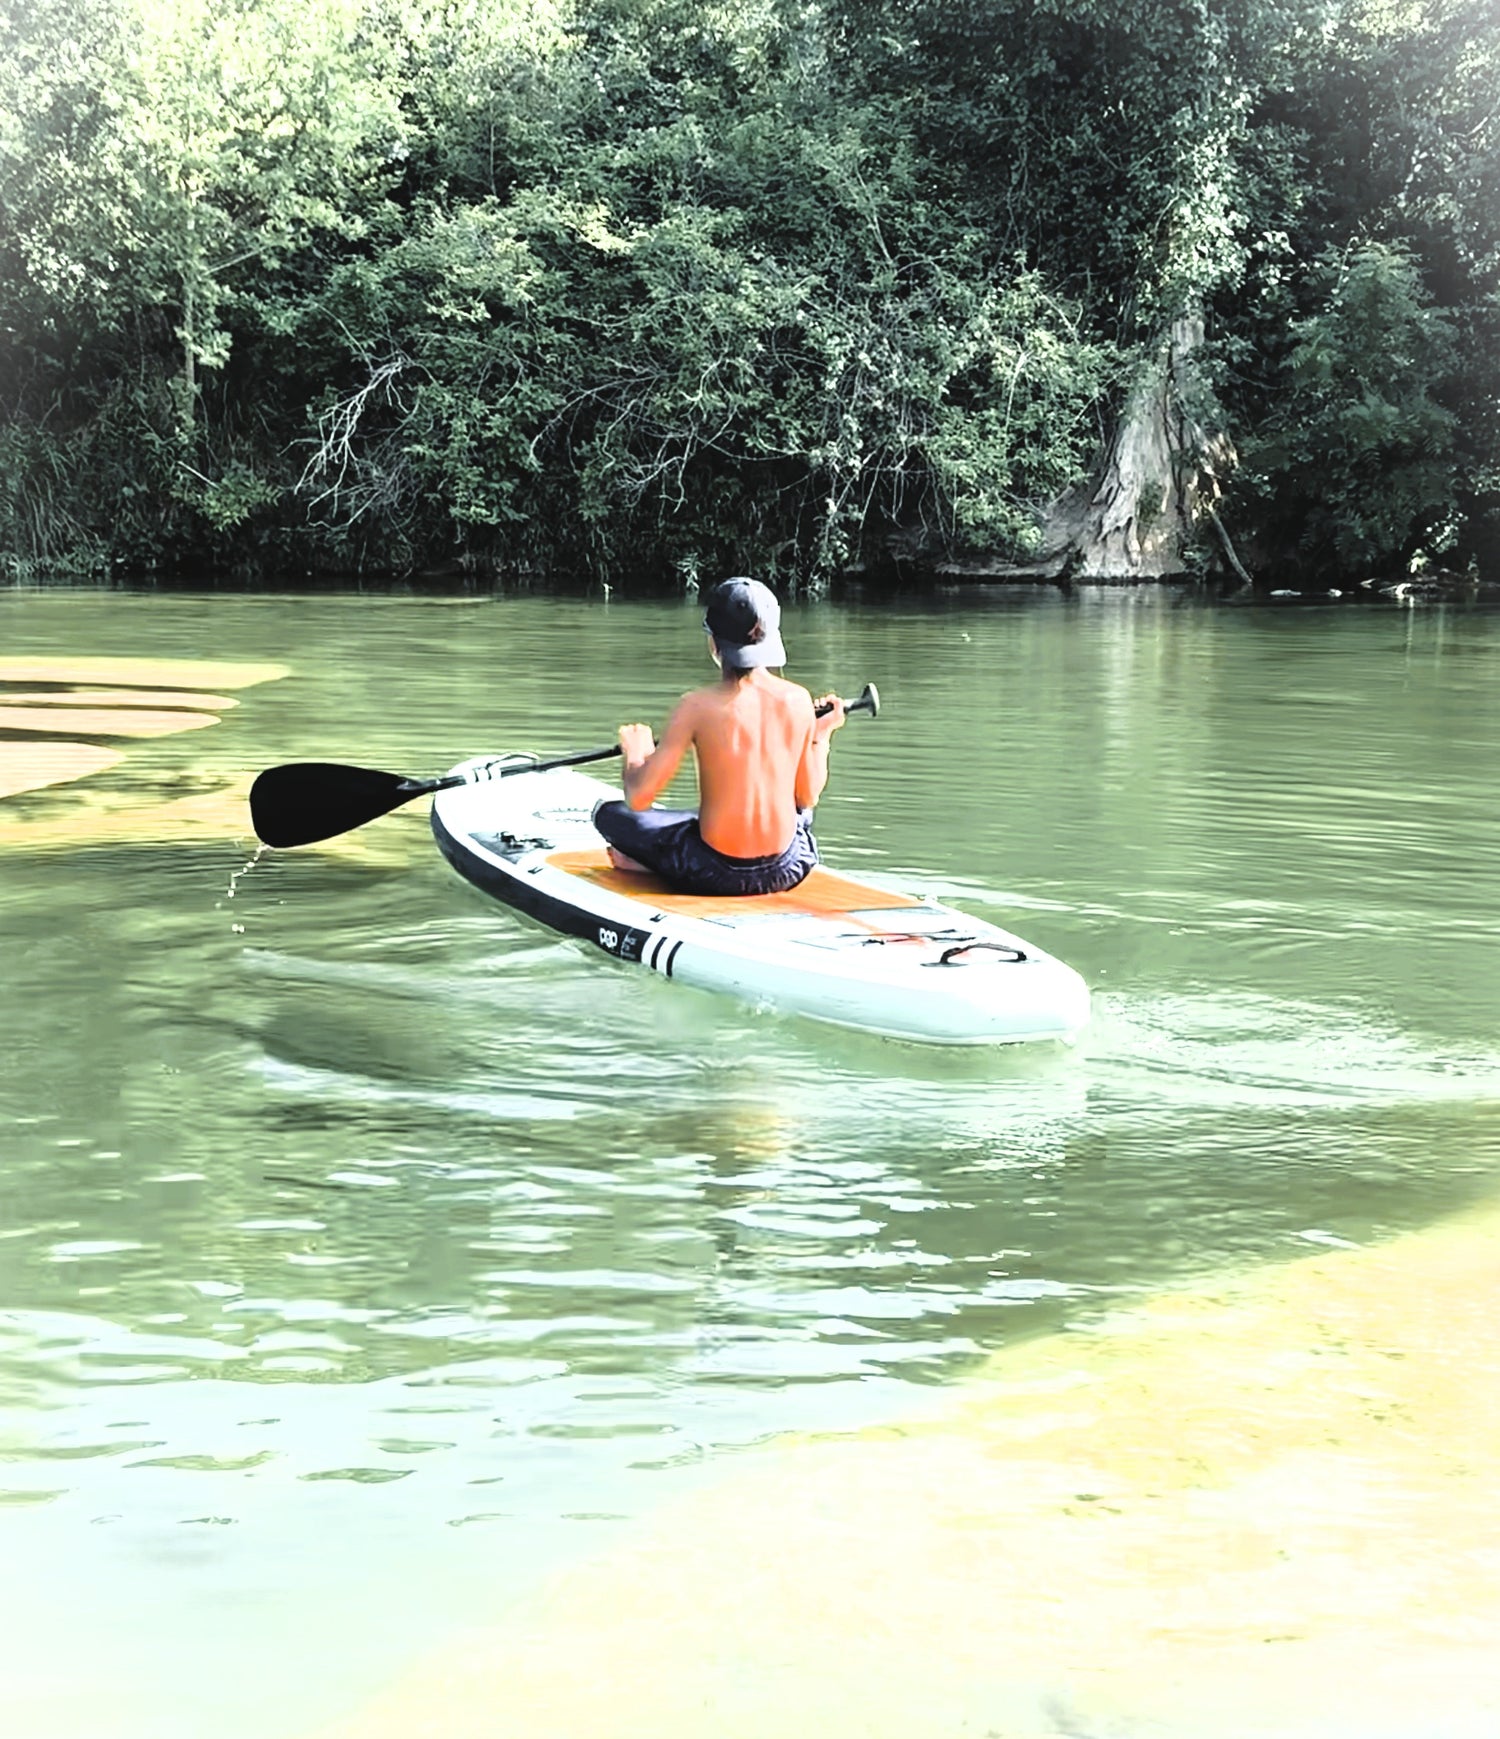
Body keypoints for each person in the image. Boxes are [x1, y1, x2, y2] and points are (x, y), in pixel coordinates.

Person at [591, 577, 846, 895]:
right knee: (799, 816)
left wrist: (637, 754)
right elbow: (807, 799)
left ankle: (641, 864)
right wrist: (821, 735)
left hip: (713, 873)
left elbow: (639, 798)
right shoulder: (798, 700)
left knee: (609, 814)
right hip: (789, 867)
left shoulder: (695, 706)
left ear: (713, 642)